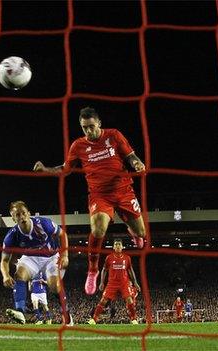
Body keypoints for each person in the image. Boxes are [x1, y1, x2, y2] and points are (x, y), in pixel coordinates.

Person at [33, 106, 146, 295]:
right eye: (84, 128)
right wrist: (46, 169)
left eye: (91, 126)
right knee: (98, 228)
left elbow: (130, 156)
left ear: (99, 123)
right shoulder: (78, 145)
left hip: (124, 190)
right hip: (99, 195)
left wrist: (136, 163)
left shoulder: (114, 136)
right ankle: (93, 269)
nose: (88, 131)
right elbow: (66, 169)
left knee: (142, 233)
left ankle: (134, 232)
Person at [0, 201, 73, 325]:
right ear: (13, 218)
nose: (21, 217)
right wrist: (5, 275)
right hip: (31, 257)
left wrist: (65, 255)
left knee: (54, 286)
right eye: (17, 215)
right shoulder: (11, 236)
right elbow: (4, 260)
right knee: (19, 276)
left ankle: (66, 313)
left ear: (29, 213)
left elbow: (62, 234)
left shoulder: (44, 223)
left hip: (50, 257)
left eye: (23, 213)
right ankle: (20, 312)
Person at [88, 239, 140, 325]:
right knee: (103, 300)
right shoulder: (109, 257)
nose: (118, 246)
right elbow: (104, 269)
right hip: (112, 283)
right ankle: (94, 319)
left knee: (129, 300)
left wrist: (135, 282)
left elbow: (130, 270)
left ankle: (134, 319)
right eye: (116, 244)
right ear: (113, 247)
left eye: (119, 244)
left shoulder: (127, 258)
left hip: (124, 282)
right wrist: (101, 282)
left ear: (122, 247)